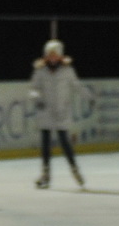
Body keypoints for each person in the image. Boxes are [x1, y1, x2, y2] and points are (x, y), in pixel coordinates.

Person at [29, 38, 85, 189]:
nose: (52, 58)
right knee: (45, 144)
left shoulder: (67, 70)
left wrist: (89, 96)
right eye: (49, 55)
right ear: (46, 56)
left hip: (61, 112)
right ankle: (45, 174)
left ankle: (75, 170)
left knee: (65, 142)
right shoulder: (40, 70)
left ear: (60, 56)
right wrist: (36, 98)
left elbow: (76, 85)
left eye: (55, 55)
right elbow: (34, 88)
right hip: (46, 111)